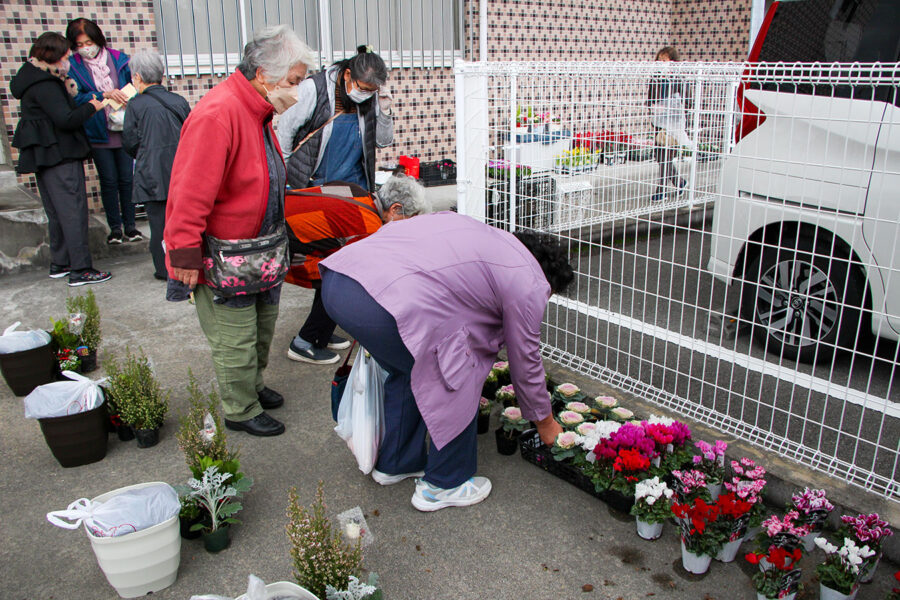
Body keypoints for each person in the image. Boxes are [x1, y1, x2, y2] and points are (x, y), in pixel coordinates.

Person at [319, 212, 573, 511]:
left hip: (340, 282)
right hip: (383, 304)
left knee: (410, 368)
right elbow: (525, 359)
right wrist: (545, 422)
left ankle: (395, 463)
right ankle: (444, 484)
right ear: (549, 284)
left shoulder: (486, 236)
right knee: (457, 373)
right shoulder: (529, 280)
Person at [164, 25, 316, 437]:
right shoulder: (219, 113)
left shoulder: (257, 110)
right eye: (293, 82)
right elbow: (189, 194)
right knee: (234, 336)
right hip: (226, 256)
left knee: (261, 325)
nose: (296, 93)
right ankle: (240, 407)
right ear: (265, 73)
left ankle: (253, 385)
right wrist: (183, 255)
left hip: (258, 252)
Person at [284, 174, 430, 364]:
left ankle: (321, 335)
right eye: (408, 219)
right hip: (284, 240)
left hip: (284, 219)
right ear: (395, 209)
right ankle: (304, 343)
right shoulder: (368, 224)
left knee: (333, 275)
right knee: (338, 281)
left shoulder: (360, 193)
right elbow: (364, 273)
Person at [10, 32, 111, 287]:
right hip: (60, 154)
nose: (69, 61)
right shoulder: (46, 85)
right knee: (72, 211)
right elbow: (65, 119)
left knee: (56, 211)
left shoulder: (31, 79)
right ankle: (81, 269)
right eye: (66, 56)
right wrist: (93, 106)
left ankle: (61, 262)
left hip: (45, 155)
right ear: (53, 56)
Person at [277, 45, 393, 192]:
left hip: (355, 184)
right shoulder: (314, 88)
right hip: (318, 184)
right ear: (347, 75)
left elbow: (383, 142)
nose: (367, 95)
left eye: (372, 90)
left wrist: (384, 110)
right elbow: (286, 129)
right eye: (363, 89)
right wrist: (284, 174)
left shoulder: (372, 97)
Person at [66, 18, 142, 245]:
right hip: (98, 131)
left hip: (123, 127)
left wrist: (126, 95)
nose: (85, 48)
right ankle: (115, 229)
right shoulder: (73, 66)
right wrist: (103, 95)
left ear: (97, 39)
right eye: (80, 44)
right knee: (108, 181)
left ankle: (131, 227)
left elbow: (137, 86)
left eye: (88, 42)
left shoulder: (119, 59)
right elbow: (75, 98)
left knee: (127, 180)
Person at [122, 48, 190, 281]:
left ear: (138, 77)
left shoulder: (135, 105)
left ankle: (164, 269)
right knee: (184, 222)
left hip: (152, 176)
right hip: (182, 174)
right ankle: (187, 265)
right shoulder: (179, 101)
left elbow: (129, 142)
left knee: (159, 226)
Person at [647, 46, 692, 203]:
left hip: (674, 125)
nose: (661, 63)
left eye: (664, 60)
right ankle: (680, 182)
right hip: (660, 123)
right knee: (660, 155)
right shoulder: (655, 79)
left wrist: (674, 111)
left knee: (665, 156)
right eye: (659, 60)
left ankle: (661, 191)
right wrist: (654, 107)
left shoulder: (679, 79)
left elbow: (686, 102)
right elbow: (650, 100)